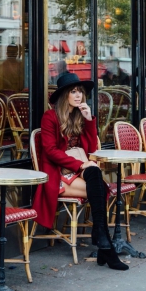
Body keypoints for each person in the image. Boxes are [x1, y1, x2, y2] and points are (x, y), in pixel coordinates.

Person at [33, 72, 128, 271]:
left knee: (95, 176)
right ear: (64, 95)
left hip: (79, 168)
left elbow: (92, 148)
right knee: (100, 189)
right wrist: (80, 165)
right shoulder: (50, 117)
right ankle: (105, 246)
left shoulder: (79, 115)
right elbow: (50, 151)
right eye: (73, 92)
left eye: (81, 93)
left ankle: (102, 239)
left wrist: (89, 120)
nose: (78, 96)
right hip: (59, 173)